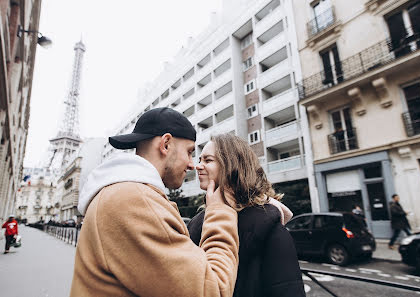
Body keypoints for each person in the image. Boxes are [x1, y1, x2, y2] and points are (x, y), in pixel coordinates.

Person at [70, 107, 239, 297]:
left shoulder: (124, 193)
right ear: (166, 144)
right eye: (190, 152)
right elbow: (213, 289)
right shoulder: (133, 201)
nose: (192, 164)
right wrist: (220, 211)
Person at [188, 134, 306, 297]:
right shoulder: (197, 222)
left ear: (232, 165)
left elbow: (287, 289)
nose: (198, 166)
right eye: (200, 160)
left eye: (207, 160)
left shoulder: (268, 224)